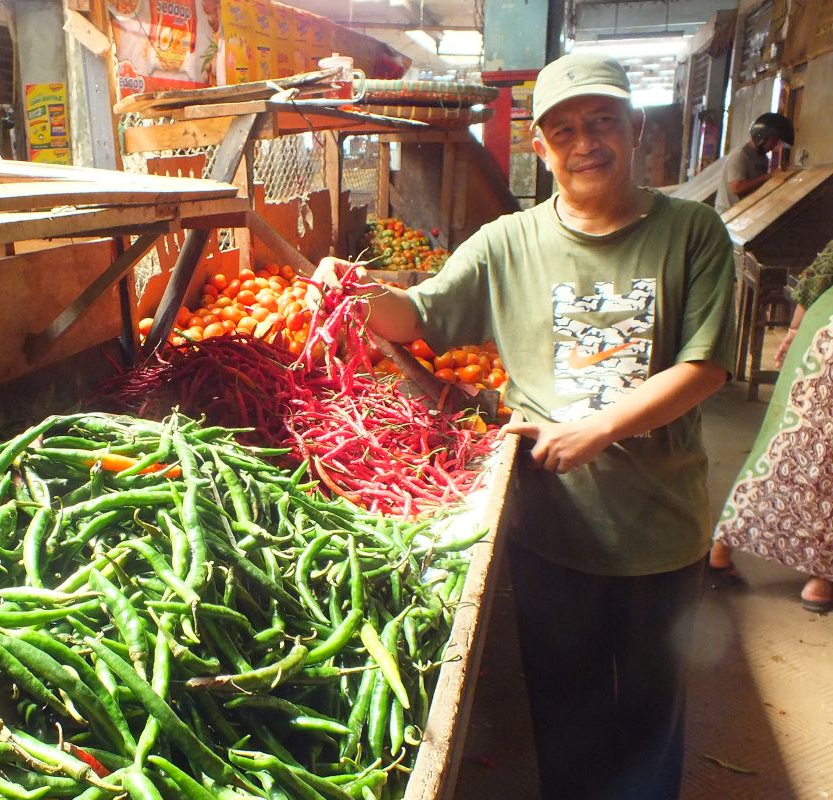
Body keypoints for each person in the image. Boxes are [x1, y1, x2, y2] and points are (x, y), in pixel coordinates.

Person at [314, 51, 734, 799]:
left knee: (648, 720)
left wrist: (596, 430)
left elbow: (703, 369)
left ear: (635, 128)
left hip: (660, 526)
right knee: (565, 716)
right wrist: (352, 289)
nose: (585, 143)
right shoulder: (508, 241)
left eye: (603, 122)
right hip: (552, 527)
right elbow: (419, 317)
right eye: (564, 129)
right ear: (540, 147)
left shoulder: (692, 233)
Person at [709, 239, 833, 613]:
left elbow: (820, 272)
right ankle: (822, 580)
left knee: (783, 440)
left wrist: (796, 328)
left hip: (823, 330)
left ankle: (720, 551)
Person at [713, 112, 794, 215]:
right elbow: (736, 188)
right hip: (727, 214)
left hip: (744, 212)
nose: (774, 146)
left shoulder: (763, 159)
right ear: (762, 135)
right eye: (773, 141)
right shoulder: (739, 155)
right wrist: (770, 176)